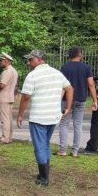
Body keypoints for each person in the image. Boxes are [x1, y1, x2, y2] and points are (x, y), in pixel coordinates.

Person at [17, 49, 73, 186]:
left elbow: (25, 97)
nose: (28, 62)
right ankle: (44, 174)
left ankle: (43, 179)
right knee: (45, 144)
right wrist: (68, 107)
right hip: (53, 116)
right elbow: (70, 88)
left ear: (39, 59)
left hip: (38, 117)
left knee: (39, 147)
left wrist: (20, 115)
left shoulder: (32, 76)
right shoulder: (56, 73)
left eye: (30, 59)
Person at [57, 47, 98, 157]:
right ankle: (75, 151)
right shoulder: (86, 68)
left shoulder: (64, 67)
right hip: (81, 99)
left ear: (70, 56)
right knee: (78, 125)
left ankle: (62, 150)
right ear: (80, 55)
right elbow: (91, 84)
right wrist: (95, 100)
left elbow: (62, 86)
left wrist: (58, 100)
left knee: (64, 124)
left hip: (66, 100)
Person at [0, 52, 18, 144]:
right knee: (9, 118)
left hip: (4, 97)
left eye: (1, 61)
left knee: (4, 119)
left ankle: (5, 138)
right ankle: (9, 137)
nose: (0, 62)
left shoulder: (7, 71)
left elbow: (2, 85)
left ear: (5, 61)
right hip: (9, 96)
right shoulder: (13, 70)